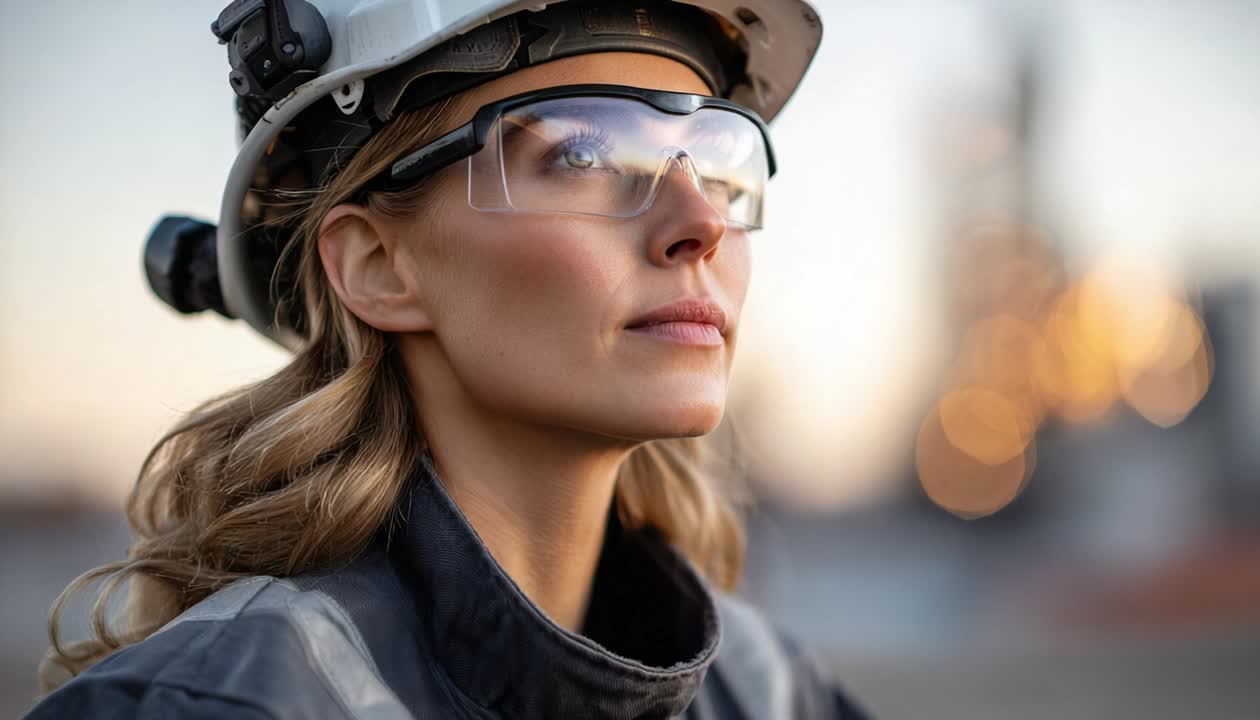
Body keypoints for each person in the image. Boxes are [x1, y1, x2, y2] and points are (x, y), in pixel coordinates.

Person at [27, 1, 869, 717]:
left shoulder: (771, 692)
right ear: (378, 266)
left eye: (717, 164)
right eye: (583, 152)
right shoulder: (217, 705)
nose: (703, 222)